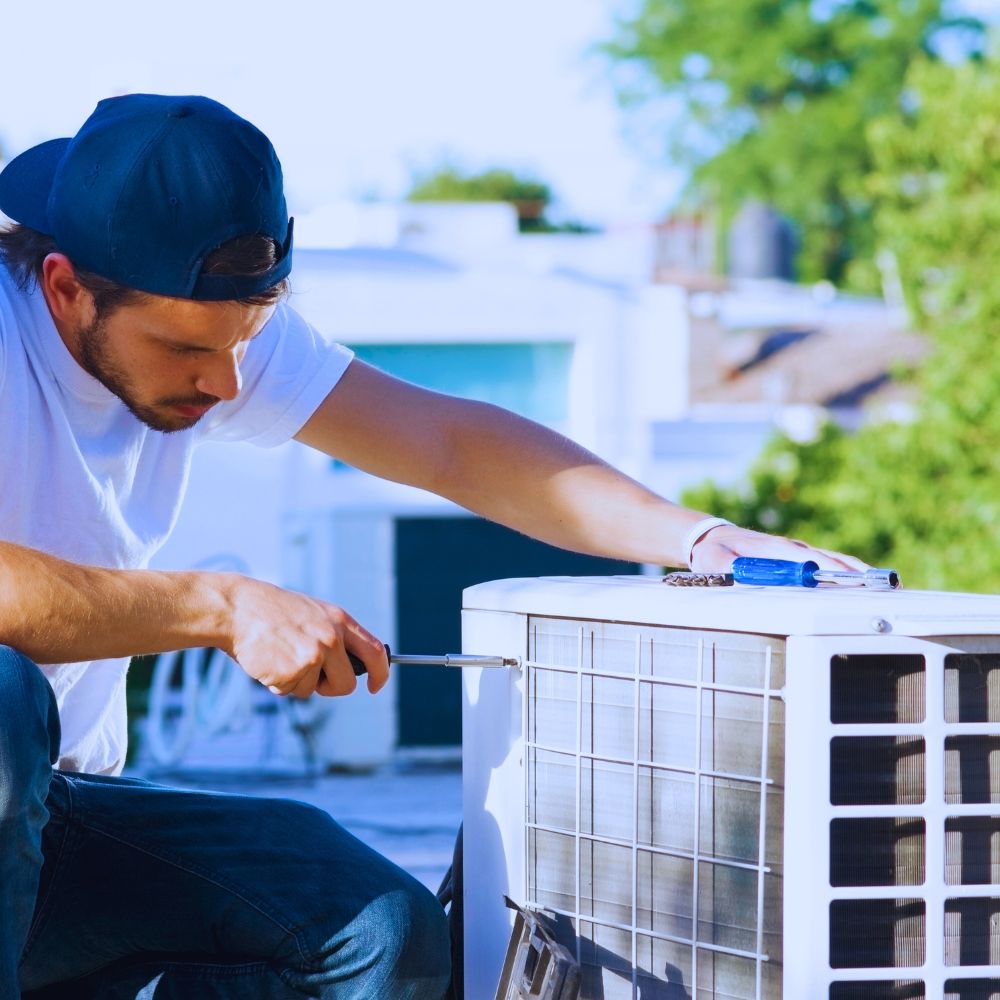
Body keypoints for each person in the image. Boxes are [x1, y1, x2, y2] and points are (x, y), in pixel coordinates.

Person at [0, 94, 863, 1000]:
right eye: (184, 350)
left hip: (58, 822)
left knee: (382, 934)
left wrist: (702, 537)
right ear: (66, 286)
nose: (222, 382)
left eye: (243, 343)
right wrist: (223, 606)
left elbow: (449, 444)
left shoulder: (218, 336)